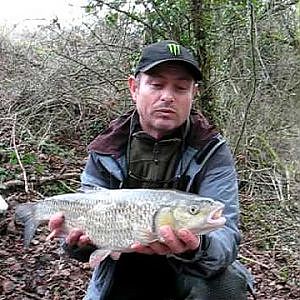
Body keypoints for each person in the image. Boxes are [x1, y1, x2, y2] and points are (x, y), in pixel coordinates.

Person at [48, 40, 254, 300]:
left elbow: (227, 236)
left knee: (228, 286)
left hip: (189, 270)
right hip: (120, 265)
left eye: (181, 88)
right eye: (156, 85)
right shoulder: (106, 148)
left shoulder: (211, 150)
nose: (167, 96)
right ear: (134, 88)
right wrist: (76, 245)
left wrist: (196, 248)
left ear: (193, 94)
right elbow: (79, 227)